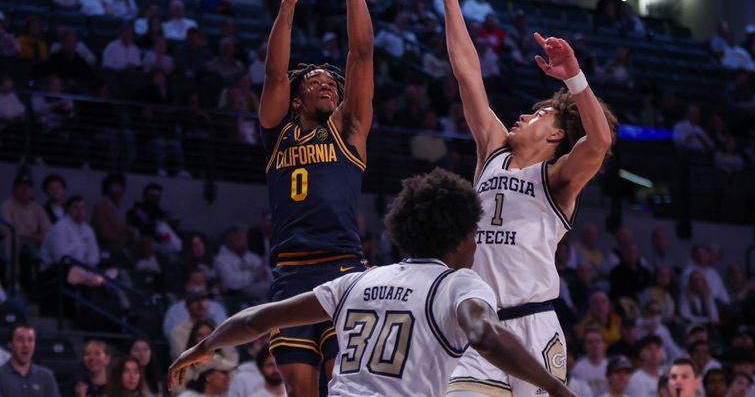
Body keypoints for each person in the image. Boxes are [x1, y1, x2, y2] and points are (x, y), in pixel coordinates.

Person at [169, 169, 576, 397]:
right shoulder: (459, 285)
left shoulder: (356, 281)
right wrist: (554, 388)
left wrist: (202, 347)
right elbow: (485, 335)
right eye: (473, 233)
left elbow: (257, 319)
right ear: (459, 239)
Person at [428, 0, 617, 397]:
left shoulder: (558, 179)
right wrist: (451, 0)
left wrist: (574, 79)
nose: (522, 116)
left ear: (555, 137)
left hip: (535, 325)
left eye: (538, 115)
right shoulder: (491, 149)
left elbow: (600, 141)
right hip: (478, 328)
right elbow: (468, 74)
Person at [256, 0, 378, 397]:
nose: (327, 84)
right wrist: (289, 0)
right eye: (315, 81)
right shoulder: (277, 130)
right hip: (290, 271)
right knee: (299, 390)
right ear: (296, 95)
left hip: (343, 267)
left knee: (344, 385)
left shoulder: (348, 129)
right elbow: (273, 72)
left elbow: (362, 53)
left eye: (332, 82)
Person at [214, 225, 272, 302]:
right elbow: (230, 282)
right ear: (228, 240)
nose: (243, 242)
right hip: (236, 297)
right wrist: (254, 274)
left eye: (244, 239)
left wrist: (265, 273)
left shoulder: (252, 256)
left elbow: (267, 272)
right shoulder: (220, 260)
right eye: (238, 239)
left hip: (260, 294)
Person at [0, 324, 59, 397]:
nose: (26, 345)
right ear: (10, 344)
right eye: (20, 340)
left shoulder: (47, 377)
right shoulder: (1, 375)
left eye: (30, 340)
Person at [572, 327, 610, 396]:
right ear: (584, 346)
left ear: (604, 344)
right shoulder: (578, 369)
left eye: (598, 341)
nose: (594, 345)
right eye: (590, 342)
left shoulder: (610, 366)